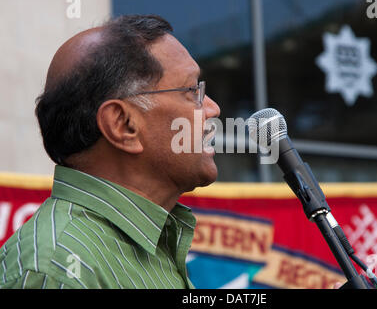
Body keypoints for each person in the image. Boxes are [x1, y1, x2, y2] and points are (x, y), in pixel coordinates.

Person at [0, 14, 220, 289]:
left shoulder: (149, 241)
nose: (212, 109)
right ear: (123, 125)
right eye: (192, 92)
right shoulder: (56, 269)